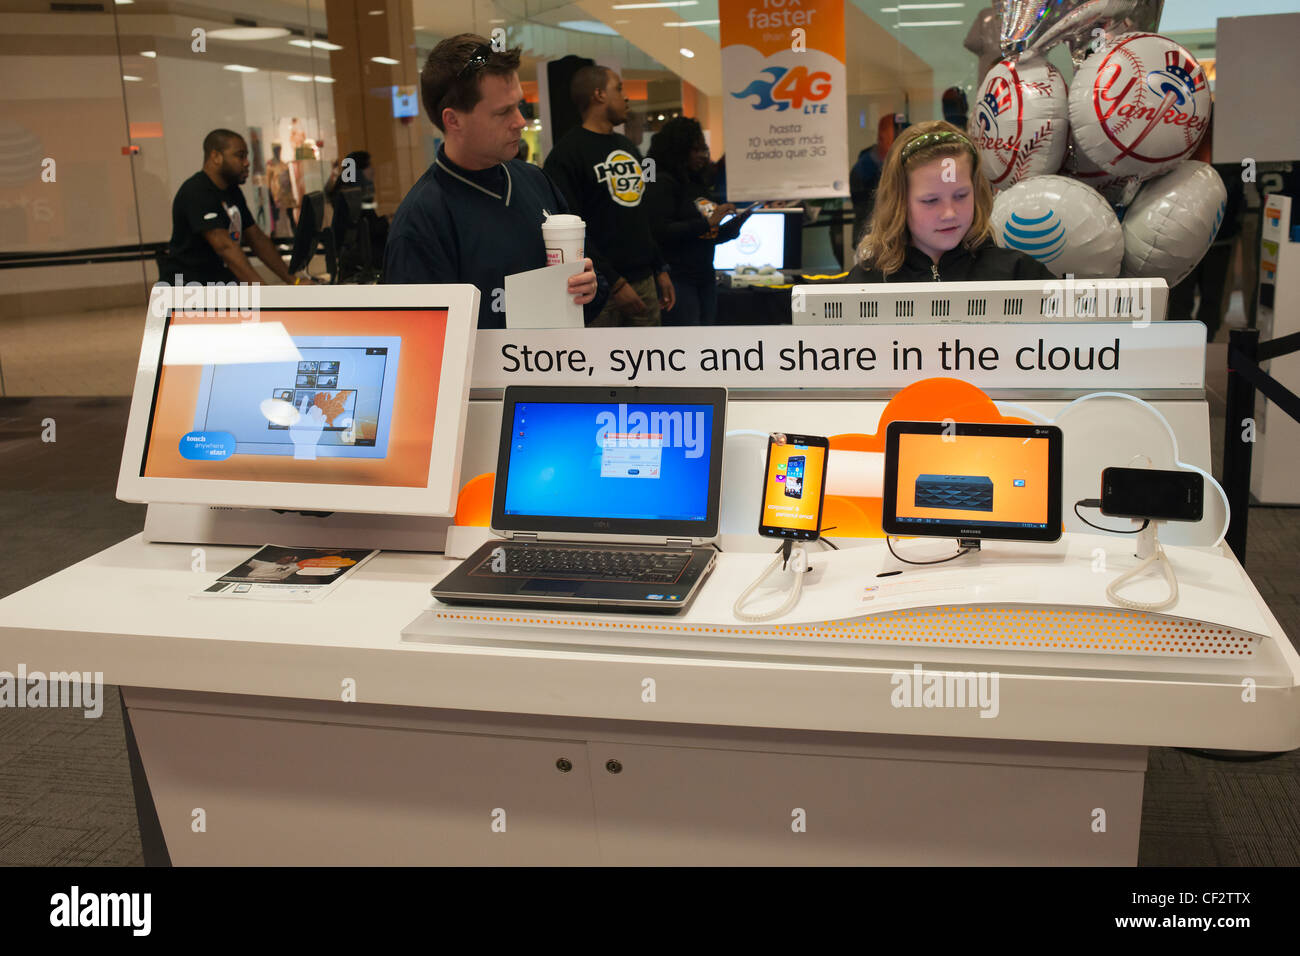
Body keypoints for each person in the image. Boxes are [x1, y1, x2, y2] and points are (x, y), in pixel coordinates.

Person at [382, 34, 602, 329]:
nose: (520, 122)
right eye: (503, 112)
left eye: (519, 106)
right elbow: (420, 345)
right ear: (453, 121)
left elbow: (583, 287)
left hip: (557, 368)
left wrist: (588, 287)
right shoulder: (421, 223)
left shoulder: (535, 182)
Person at [544, 65, 673, 326]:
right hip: (598, 288)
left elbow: (640, 215)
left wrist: (660, 268)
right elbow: (572, 229)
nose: (626, 97)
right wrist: (614, 283)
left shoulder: (627, 147)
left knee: (652, 364)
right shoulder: (566, 155)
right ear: (599, 95)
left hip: (644, 279)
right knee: (598, 364)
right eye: (619, 89)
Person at [848, 120, 1055, 283]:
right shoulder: (868, 283)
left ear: (977, 192)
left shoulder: (1020, 274)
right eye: (930, 200)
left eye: (961, 196)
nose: (949, 213)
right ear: (899, 203)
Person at [159, 129, 302, 286]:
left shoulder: (232, 191)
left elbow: (257, 239)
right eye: (240, 156)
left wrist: (294, 281)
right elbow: (224, 246)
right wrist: (262, 291)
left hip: (216, 283)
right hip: (186, 289)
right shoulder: (197, 191)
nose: (247, 162)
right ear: (216, 157)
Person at [643, 117, 750, 326]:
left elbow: (703, 236)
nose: (703, 155)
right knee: (686, 347)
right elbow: (659, 232)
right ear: (679, 150)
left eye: (704, 149)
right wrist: (708, 223)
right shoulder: (662, 183)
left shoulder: (697, 182)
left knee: (706, 344)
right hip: (677, 279)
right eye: (696, 150)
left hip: (705, 276)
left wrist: (730, 229)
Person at [850, 113, 904, 246]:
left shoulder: (901, 164)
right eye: (895, 135)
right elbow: (865, 212)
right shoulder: (864, 167)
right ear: (881, 137)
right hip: (871, 240)